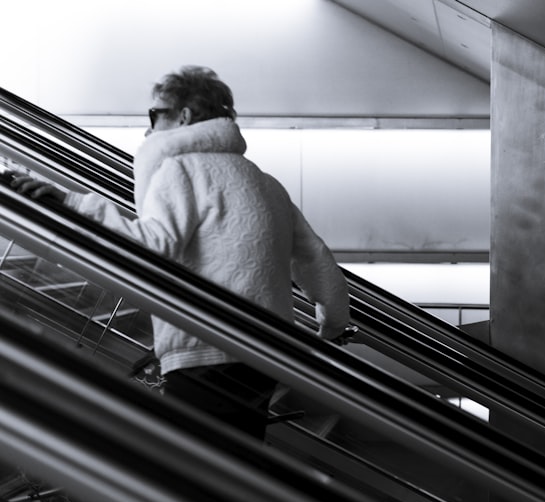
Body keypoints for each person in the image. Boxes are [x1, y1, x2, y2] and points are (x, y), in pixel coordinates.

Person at [11, 65, 353, 441]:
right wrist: (332, 324)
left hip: (204, 348)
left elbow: (155, 244)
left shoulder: (180, 170)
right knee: (239, 459)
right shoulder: (267, 183)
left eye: (155, 115)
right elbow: (314, 257)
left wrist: (75, 204)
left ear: (184, 116)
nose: (148, 129)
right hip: (269, 352)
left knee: (197, 468)